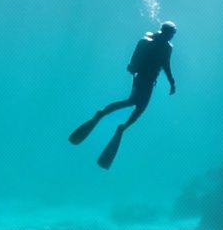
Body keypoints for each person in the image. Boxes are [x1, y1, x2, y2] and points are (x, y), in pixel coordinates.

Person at [69, 21, 176, 169]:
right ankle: (107, 118)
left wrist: (172, 82)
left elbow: (166, 64)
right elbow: (140, 62)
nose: (172, 36)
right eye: (172, 33)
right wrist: (170, 82)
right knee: (134, 104)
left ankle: (112, 121)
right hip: (142, 79)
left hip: (149, 81)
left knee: (136, 107)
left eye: (173, 34)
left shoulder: (167, 47)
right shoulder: (149, 42)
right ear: (165, 31)